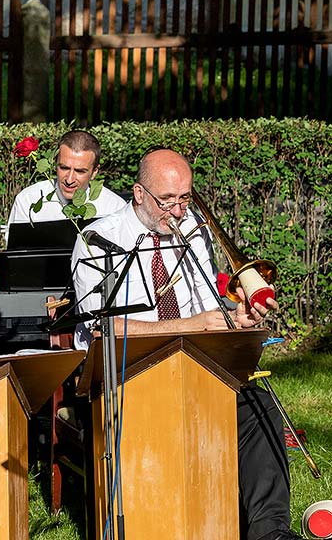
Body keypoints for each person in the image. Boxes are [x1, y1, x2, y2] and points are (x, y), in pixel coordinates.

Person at [71, 149, 297, 540]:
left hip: (195, 370)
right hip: (130, 378)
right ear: (139, 193)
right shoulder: (98, 240)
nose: (177, 211)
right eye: (167, 201)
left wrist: (236, 321)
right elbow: (100, 327)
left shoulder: (194, 230)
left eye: (185, 198)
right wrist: (188, 326)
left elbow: (209, 310)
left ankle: (270, 532)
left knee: (260, 407)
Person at [7, 130, 126, 227]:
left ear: (94, 172)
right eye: (64, 168)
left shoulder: (114, 208)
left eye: (80, 171)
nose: (69, 180)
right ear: (55, 163)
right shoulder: (28, 200)